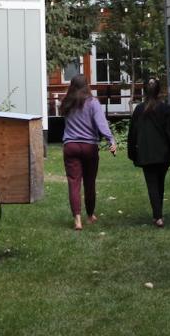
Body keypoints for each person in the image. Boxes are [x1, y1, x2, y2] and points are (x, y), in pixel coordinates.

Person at [60, 73, 117, 231]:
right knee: (89, 183)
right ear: (87, 85)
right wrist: (111, 140)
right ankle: (90, 215)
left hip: (70, 146)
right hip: (89, 148)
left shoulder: (67, 102)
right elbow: (101, 124)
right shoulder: (93, 103)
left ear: (72, 86)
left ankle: (77, 220)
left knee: (74, 183)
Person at [127, 77, 170, 227]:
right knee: (160, 183)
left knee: (152, 184)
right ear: (159, 90)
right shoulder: (165, 109)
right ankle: (158, 214)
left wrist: (132, 152)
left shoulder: (139, 110)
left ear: (144, 90)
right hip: (163, 153)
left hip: (146, 153)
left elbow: (132, 133)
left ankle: (158, 216)